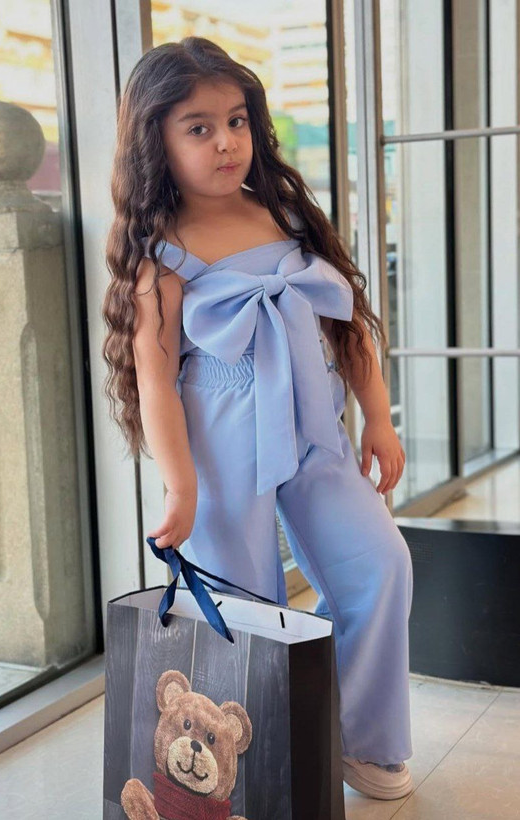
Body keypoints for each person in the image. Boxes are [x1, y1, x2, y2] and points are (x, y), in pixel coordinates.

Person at [102, 35, 414, 802]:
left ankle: (360, 737)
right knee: (243, 604)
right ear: (155, 141)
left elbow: (343, 321)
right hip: (221, 435)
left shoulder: (282, 211)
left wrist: (377, 416)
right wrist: (180, 487)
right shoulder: (159, 252)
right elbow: (156, 382)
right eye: (199, 127)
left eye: (236, 121)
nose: (225, 142)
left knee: (378, 566)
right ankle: (258, 767)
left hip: (312, 423)